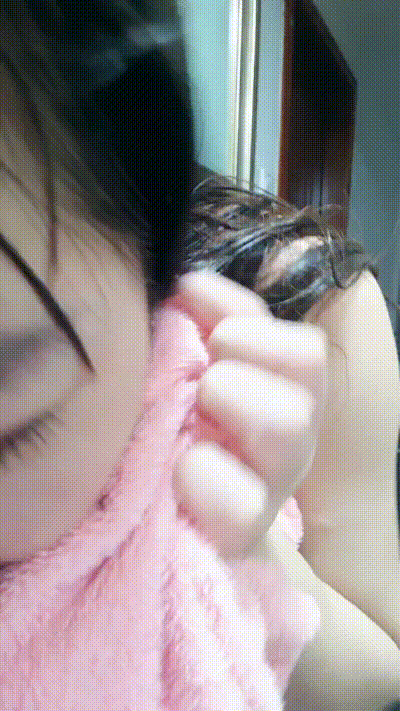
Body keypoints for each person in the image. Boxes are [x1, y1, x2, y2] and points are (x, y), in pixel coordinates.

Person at [0, 1, 398, 709]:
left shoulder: (313, 307)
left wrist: (238, 557)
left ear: (153, 255)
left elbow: (380, 676)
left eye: (9, 430)